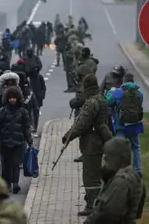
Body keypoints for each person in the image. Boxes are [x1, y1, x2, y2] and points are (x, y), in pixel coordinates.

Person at [63, 74, 113, 216]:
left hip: (91, 143)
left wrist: (68, 137)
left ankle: (92, 206)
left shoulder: (91, 102)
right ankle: (96, 203)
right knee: (95, 175)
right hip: (100, 140)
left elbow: (82, 124)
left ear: (86, 87)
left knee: (90, 177)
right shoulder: (101, 98)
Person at [84, 137, 144, 224]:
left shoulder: (120, 183)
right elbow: (138, 213)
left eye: (107, 159)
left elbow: (107, 214)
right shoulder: (135, 177)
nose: (105, 163)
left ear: (116, 158)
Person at [0, 86, 33, 194]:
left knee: (15, 163)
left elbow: (26, 128)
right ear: (7, 99)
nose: (12, 100)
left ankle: (15, 184)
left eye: (14, 98)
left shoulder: (23, 112)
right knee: (6, 165)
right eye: (10, 98)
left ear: (18, 98)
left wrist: (30, 142)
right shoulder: (2, 111)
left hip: (18, 142)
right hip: (4, 142)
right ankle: (7, 184)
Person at [105, 73, 144, 175]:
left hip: (121, 125)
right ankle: (138, 170)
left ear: (123, 81)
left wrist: (110, 91)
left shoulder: (118, 92)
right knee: (136, 147)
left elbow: (108, 102)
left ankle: (121, 171)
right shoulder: (139, 93)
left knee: (120, 148)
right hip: (134, 125)